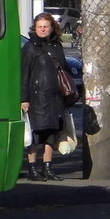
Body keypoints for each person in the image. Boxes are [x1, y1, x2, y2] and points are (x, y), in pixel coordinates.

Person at [20, 12, 73, 182]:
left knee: (51, 134)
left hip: (54, 97)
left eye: (46, 26)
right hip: (37, 97)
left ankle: (48, 168)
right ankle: (32, 169)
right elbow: (24, 75)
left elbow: (63, 68)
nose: (43, 29)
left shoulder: (56, 46)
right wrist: (24, 99)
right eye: (39, 27)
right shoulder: (30, 47)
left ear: (52, 28)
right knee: (36, 135)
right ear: (34, 29)